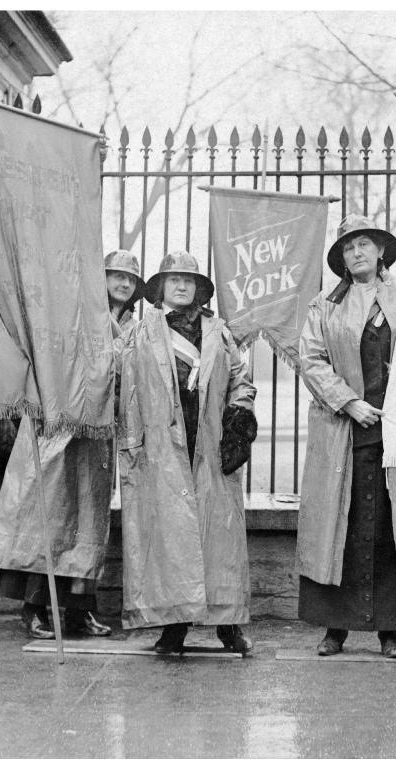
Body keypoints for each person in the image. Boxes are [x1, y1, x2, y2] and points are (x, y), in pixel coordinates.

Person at [297, 214, 396, 658]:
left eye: (365, 244)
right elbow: (312, 359)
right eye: (348, 247)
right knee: (338, 526)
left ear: (382, 250)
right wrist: (348, 401)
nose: (357, 253)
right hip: (343, 431)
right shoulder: (324, 305)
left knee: (392, 527)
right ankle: (334, 628)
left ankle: (390, 630)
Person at [0, 251, 146, 640]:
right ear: (99, 279)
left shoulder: (135, 328)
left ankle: (78, 612)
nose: (123, 283)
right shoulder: (73, 314)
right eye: (115, 275)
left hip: (98, 436)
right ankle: (35, 609)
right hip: (59, 427)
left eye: (130, 278)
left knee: (88, 524)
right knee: (49, 517)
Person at [114, 250, 258, 654]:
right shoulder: (138, 333)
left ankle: (227, 625)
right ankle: (172, 627)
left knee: (219, 538)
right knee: (169, 539)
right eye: (173, 279)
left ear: (198, 289)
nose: (181, 285)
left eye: (188, 280)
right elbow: (119, 387)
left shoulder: (220, 332)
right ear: (159, 287)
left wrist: (238, 421)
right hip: (161, 447)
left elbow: (241, 381)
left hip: (211, 443)